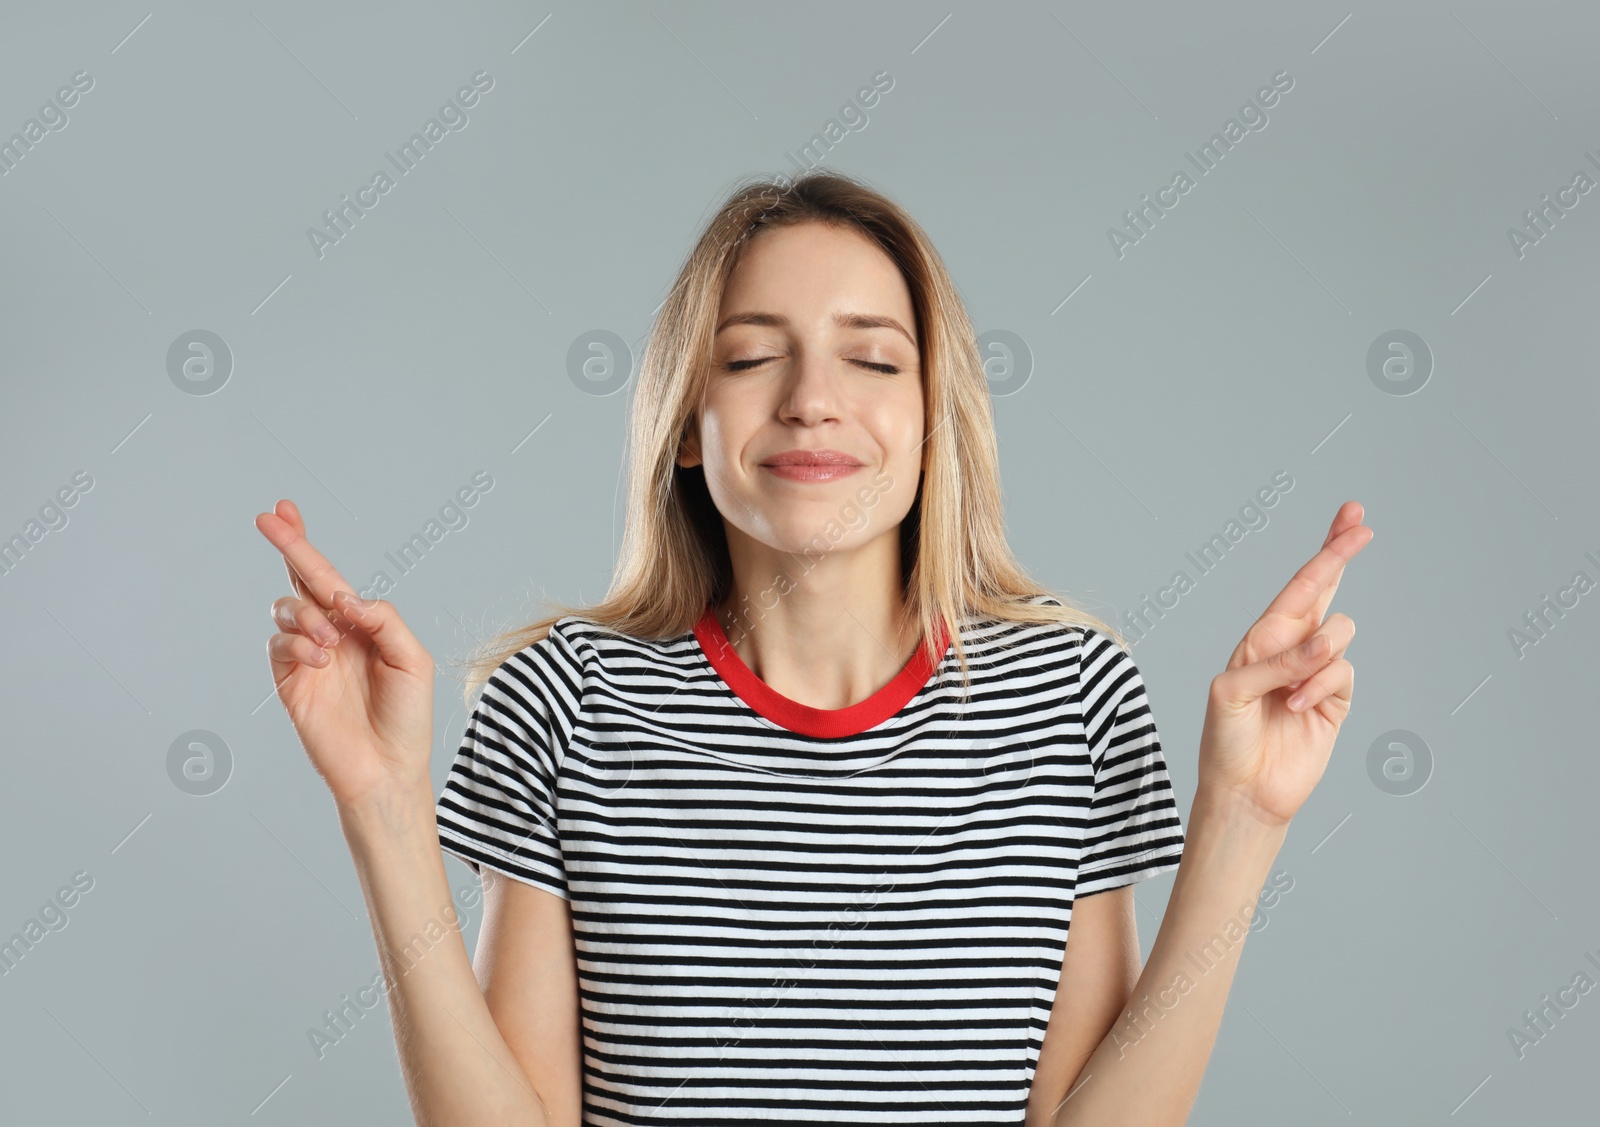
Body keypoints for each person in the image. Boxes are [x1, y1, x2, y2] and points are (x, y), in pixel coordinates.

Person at [256, 169, 1370, 1127]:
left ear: (936, 422)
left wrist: (1243, 817)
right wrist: (383, 803)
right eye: (750, 359)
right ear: (688, 424)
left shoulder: (1070, 694)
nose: (810, 401)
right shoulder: (562, 697)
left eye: (873, 361)